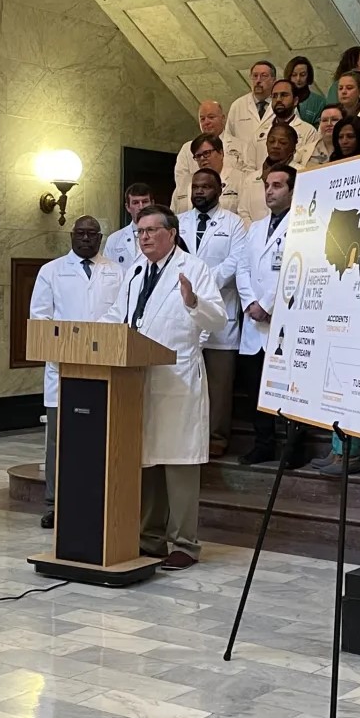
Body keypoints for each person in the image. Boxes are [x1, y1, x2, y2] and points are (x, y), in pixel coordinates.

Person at [101, 205, 226, 571]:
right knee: (148, 460)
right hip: (138, 377)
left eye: (152, 230)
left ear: (171, 233)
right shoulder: (135, 271)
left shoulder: (194, 269)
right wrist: (89, 333)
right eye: (140, 232)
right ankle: (149, 537)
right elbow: (119, 317)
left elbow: (218, 320)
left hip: (178, 377)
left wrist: (193, 301)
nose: (145, 237)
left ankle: (185, 543)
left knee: (179, 462)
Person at [29, 216, 123, 529]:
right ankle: (55, 504)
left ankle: (98, 502)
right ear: (71, 236)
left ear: (100, 238)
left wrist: (95, 342)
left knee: (99, 438)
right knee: (59, 442)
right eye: (80, 233)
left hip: (104, 365)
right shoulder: (51, 271)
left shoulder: (117, 272)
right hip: (63, 367)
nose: (85, 238)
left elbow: (121, 314)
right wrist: (73, 345)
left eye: (92, 234)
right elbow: (40, 318)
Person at [178, 170, 248, 457]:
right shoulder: (179, 222)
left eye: (206, 187)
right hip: (185, 312)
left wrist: (203, 283)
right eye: (195, 186)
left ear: (220, 189)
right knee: (185, 379)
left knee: (219, 383)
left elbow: (236, 261)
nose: (199, 191)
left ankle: (217, 437)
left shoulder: (234, 223)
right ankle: (187, 436)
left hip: (221, 310)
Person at [237, 165, 300, 465]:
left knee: (288, 388)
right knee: (255, 390)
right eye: (267, 185)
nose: (269, 191)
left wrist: (266, 304)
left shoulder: (303, 224)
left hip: (283, 318)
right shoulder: (256, 228)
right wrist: (251, 302)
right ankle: (264, 444)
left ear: (292, 190)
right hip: (254, 321)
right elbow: (242, 268)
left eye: (277, 185)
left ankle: (293, 449)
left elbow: (294, 269)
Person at [172, 101, 249, 212]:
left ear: (223, 118)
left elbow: (248, 178)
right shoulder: (187, 148)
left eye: (211, 117)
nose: (206, 122)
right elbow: (181, 182)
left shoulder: (242, 146)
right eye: (202, 119)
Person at [245, 78, 318, 171]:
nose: (278, 99)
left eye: (284, 95)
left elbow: (310, 168)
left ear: (295, 100)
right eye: (274, 96)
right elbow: (249, 168)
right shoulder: (260, 132)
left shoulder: (308, 131)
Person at [238, 122, 299, 223]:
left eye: (283, 143)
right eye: (271, 141)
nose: (276, 146)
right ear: (266, 143)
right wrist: (256, 230)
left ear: (293, 147)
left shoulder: (302, 174)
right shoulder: (251, 178)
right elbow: (243, 212)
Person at [176, 133, 249, 216]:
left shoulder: (241, 179)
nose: (202, 158)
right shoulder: (184, 183)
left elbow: (245, 214)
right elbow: (172, 216)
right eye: (198, 156)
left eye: (207, 153)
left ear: (221, 153)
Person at [103, 183, 154, 270]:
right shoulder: (114, 239)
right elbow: (107, 272)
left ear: (152, 204)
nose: (141, 207)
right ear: (128, 207)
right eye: (135, 203)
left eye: (145, 202)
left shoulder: (163, 236)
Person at [227, 60, 277, 140]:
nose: (258, 80)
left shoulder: (282, 104)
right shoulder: (237, 105)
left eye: (264, 76)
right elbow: (229, 138)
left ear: (273, 80)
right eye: (255, 76)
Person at [285, 55, 327, 127]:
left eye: (302, 75)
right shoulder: (281, 99)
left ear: (309, 75)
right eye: (294, 75)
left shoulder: (320, 102)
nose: (298, 79)